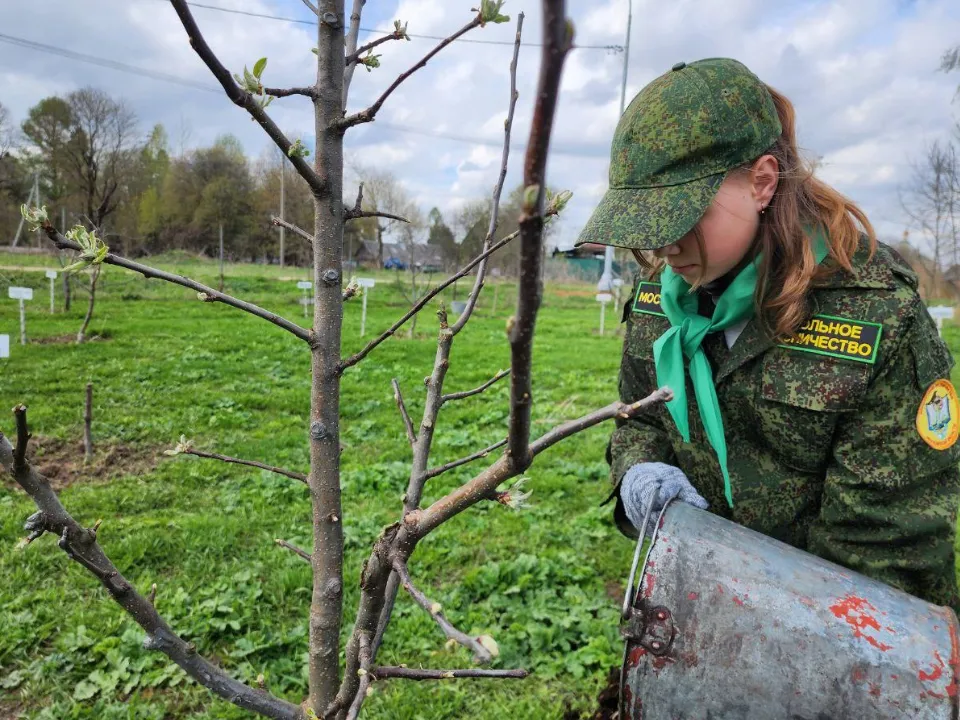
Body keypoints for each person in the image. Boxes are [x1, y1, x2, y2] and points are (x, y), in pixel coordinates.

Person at [576, 57, 960, 610]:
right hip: (693, 605)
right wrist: (640, 471)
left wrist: (772, 632)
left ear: (761, 181)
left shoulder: (876, 318)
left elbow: (888, 550)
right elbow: (641, 417)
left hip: (838, 639)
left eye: (682, 218)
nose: (664, 249)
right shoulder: (662, 296)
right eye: (650, 227)